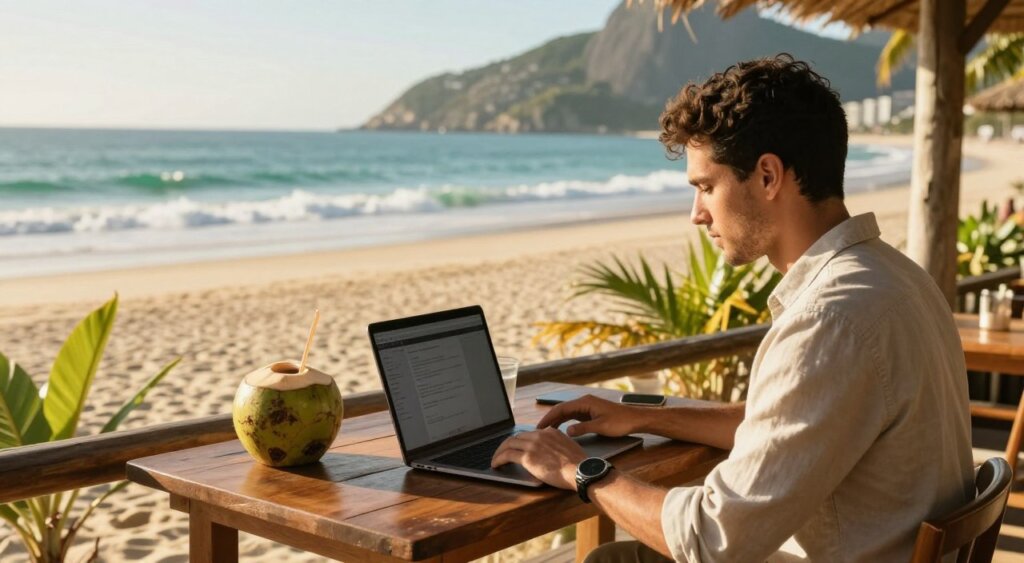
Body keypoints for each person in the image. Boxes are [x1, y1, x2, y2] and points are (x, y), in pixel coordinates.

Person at [490, 54, 974, 562]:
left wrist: (580, 470)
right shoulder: (896, 277)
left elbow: (712, 540)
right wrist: (640, 416)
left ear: (767, 176)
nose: (697, 214)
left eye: (706, 186)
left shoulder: (829, 320)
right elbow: (785, 426)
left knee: (608, 560)